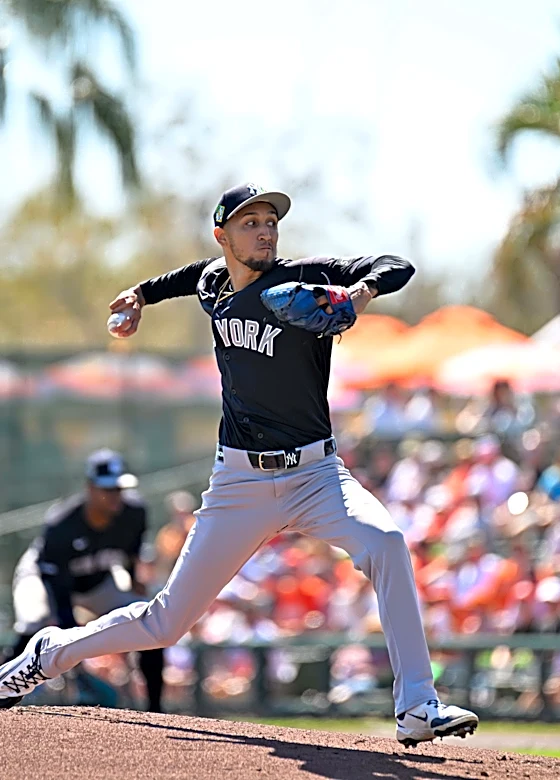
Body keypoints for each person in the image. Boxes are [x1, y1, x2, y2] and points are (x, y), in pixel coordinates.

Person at [0, 183, 478, 746]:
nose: (266, 231)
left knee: (388, 543)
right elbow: (188, 277)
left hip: (316, 475)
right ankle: (50, 652)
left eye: (271, 221)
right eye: (250, 223)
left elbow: (397, 265)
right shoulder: (214, 282)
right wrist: (141, 295)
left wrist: (359, 293)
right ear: (222, 236)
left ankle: (417, 704)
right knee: (167, 621)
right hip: (239, 482)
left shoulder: (304, 278)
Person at [3, 449, 164, 712]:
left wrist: (134, 580)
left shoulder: (133, 512)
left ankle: (155, 708)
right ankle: (4, 684)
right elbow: (58, 587)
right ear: (90, 488)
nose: (115, 495)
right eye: (107, 489)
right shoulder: (62, 523)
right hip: (45, 577)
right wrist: (69, 632)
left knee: (149, 620)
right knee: (34, 621)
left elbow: (131, 554)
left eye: (119, 489)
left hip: (98, 580)